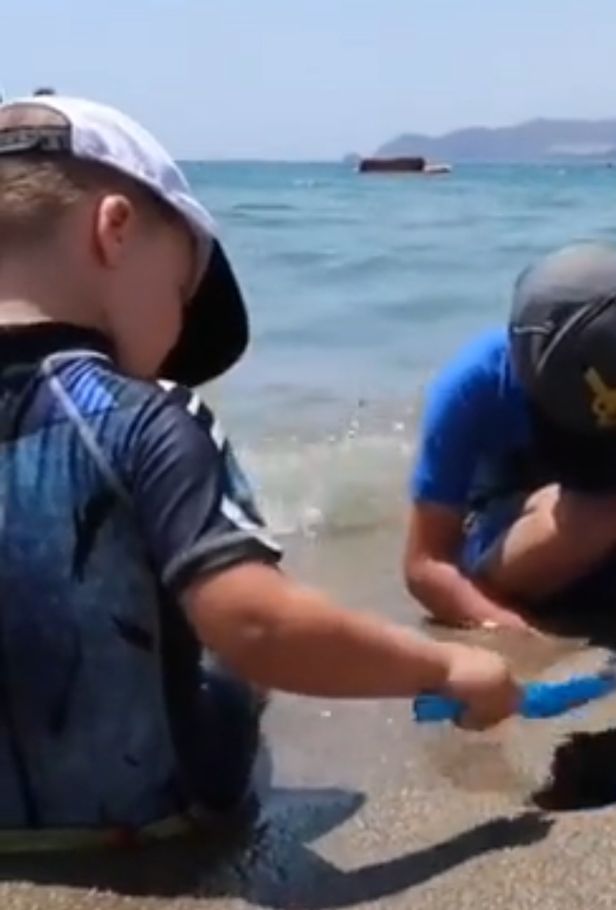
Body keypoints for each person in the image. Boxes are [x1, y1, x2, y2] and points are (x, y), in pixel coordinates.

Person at [0, 95, 519, 848]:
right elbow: (256, 625)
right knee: (233, 661)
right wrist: (446, 667)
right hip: (153, 817)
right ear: (114, 231)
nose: (177, 334)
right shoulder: (147, 419)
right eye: (179, 290)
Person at [404, 243, 616, 633]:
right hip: (520, 556)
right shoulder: (476, 384)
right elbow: (426, 564)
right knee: (595, 516)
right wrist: (513, 632)